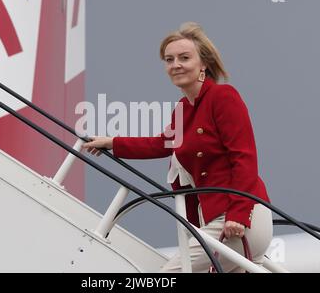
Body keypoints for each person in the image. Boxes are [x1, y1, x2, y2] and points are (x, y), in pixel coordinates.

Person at [82, 22, 273, 273]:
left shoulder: (223, 97)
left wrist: (237, 213)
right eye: (169, 59)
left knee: (169, 275)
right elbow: (162, 144)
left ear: (203, 63)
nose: (175, 65)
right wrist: (112, 143)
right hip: (216, 218)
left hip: (239, 216)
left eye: (184, 57)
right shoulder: (183, 109)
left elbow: (244, 157)